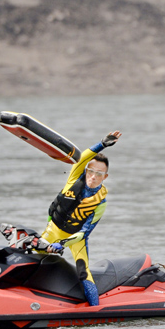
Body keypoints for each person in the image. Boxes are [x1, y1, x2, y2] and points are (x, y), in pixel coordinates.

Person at [41, 131, 122, 307]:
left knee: (84, 272)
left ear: (105, 177)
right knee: (31, 256)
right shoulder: (74, 177)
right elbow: (84, 156)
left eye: (99, 174)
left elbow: (85, 232)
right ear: (86, 171)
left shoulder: (101, 203)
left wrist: (62, 243)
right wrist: (102, 143)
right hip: (52, 230)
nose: (93, 177)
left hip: (75, 237)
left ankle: (95, 310)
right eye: (91, 172)